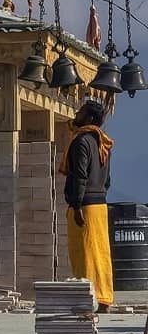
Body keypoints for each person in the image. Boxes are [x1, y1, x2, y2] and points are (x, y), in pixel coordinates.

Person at [61, 99, 114, 312]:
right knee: (100, 254)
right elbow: (107, 180)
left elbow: (80, 176)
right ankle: (104, 298)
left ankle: (90, 299)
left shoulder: (81, 141)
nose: (77, 113)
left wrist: (77, 205)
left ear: (90, 118)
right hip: (100, 206)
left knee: (84, 255)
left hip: (85, 208)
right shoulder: (103, 143)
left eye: (81, 112)